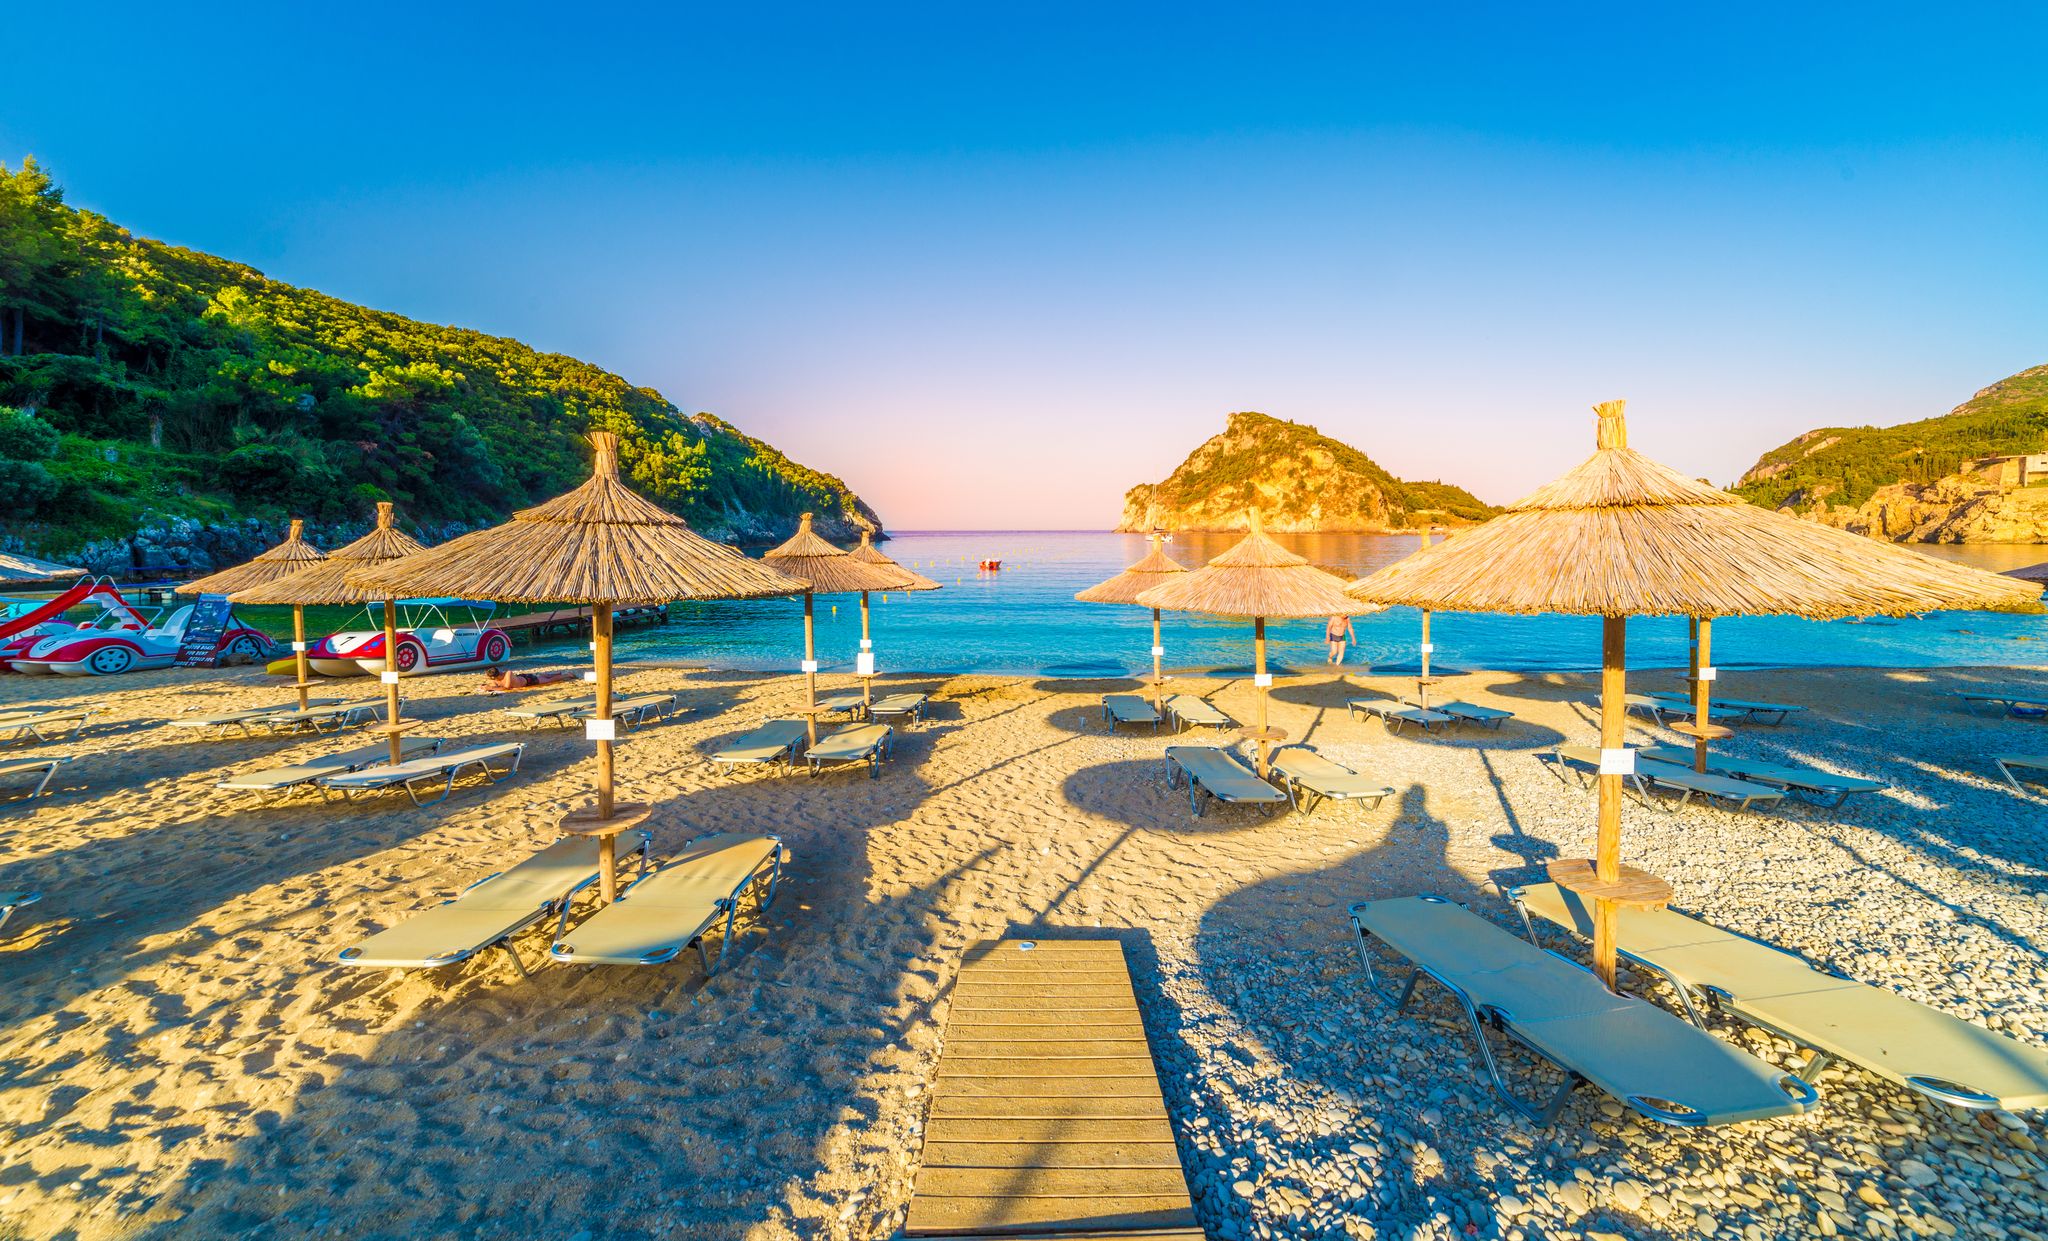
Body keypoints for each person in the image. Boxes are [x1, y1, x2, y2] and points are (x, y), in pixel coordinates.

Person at [478, 666, 576, 694]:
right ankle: (547, 674)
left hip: (528, 680)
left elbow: (506, 687)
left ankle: (567, 675)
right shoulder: (494, 679)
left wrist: (489, 687)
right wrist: (486, 687)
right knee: (543, 678)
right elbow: (496, 687)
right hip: (522, 679)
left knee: (549, 680)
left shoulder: (508, 673)